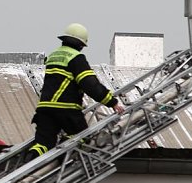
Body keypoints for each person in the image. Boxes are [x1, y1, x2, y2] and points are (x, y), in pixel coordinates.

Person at [29, 23, 125, 157]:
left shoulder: (53, 56)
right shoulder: (76, 58)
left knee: (43, 144)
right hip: (66, 109)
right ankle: (62, 156)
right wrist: (112, 102)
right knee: (82, 137)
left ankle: (30, 159)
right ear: (81, 45)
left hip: (44, 108)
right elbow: (90, 85)